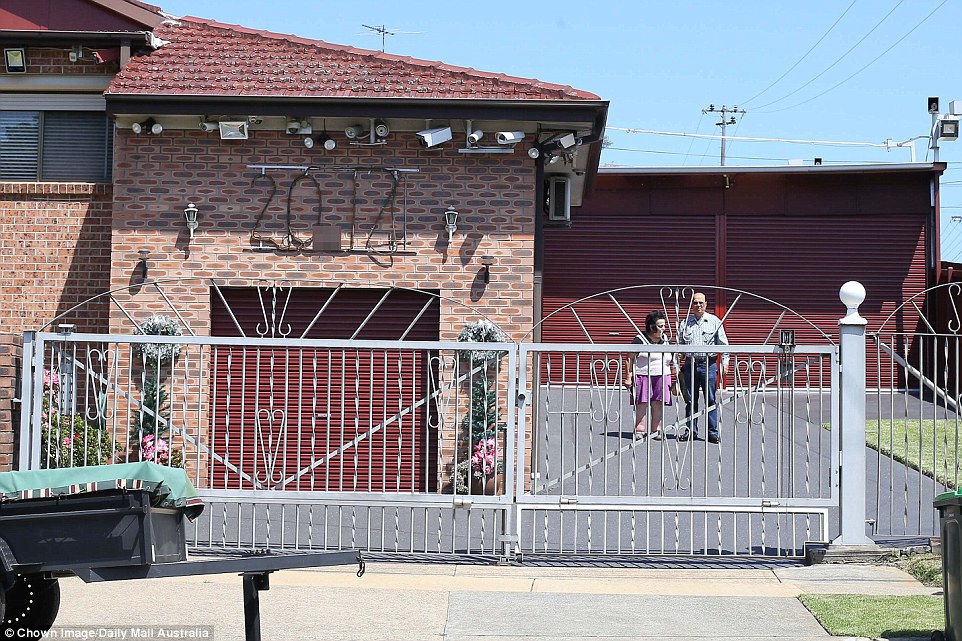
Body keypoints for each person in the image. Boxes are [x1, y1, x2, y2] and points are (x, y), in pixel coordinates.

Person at [678, 292, 729, 444]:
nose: (698, 305)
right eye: (695, 302)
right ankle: (690, 431)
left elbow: (723, 344)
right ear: (691, 305)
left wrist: (725, 361)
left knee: (711, 399)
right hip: (690, 365)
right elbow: (680, 346)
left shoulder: (714, 321)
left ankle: (712, 433)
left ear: (706, 304)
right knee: (690, 400)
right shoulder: (684, 323)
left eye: (701, 302)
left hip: (709, 365)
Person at [624, 310, 675, 441]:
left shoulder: (666, 340)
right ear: (651, 326)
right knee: (641, 403)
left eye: (664, 326)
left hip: (662, 375)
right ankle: (639, 430)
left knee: (658, 403)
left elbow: (672, 356)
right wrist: (628, 376)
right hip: (643, 375)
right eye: (660, 326)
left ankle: (656, 430)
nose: (663, 329)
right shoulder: (639, 339)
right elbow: (629, 358)